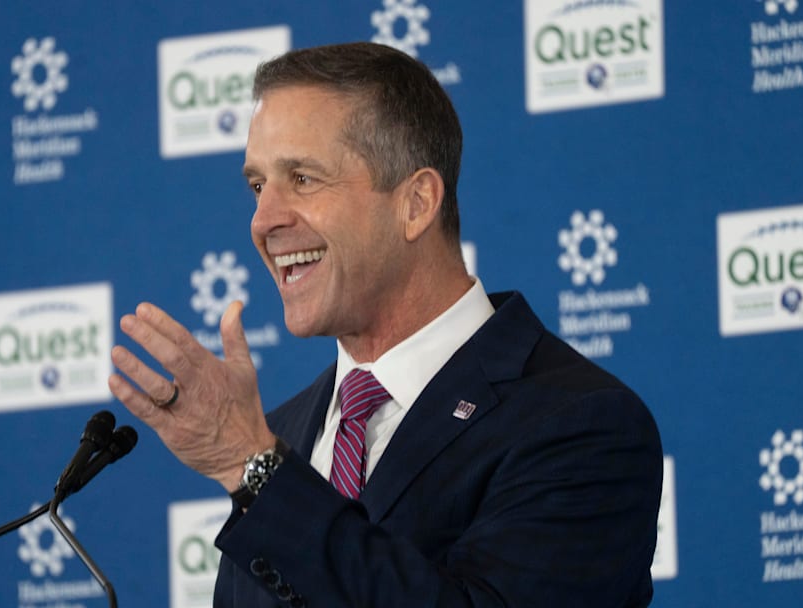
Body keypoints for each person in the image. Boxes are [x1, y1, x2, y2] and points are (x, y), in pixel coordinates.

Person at [109, 41, 663, 607]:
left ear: (417, 203)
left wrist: (253, 469)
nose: (263, 220)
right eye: (257, 186)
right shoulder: (282, 434)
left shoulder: (580, 425)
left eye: (301, 178)